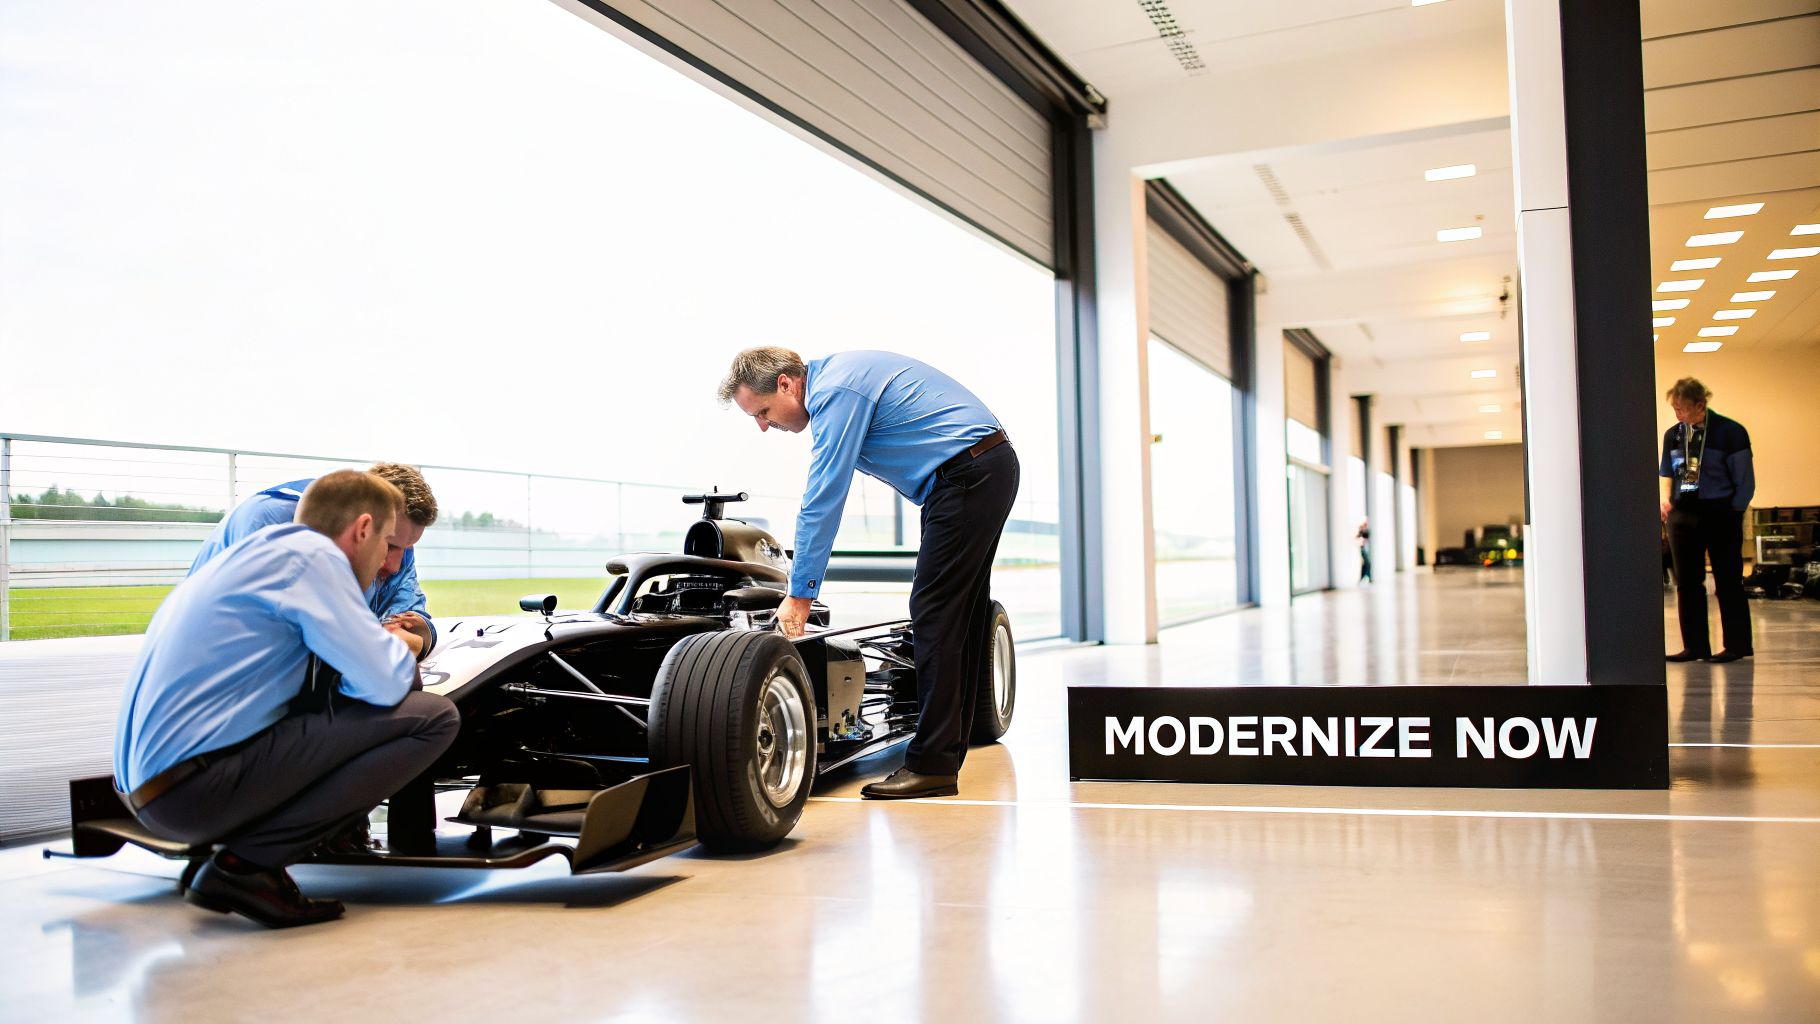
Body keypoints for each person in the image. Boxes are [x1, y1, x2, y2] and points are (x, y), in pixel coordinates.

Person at [114, 470, 460, 928]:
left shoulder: (259, 552)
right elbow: (388, 681)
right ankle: (247, 867)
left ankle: (241, 852)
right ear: (361, 529)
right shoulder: (313, 561)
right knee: (432, 718)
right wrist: (396, 650)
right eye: (386, 546)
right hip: (188, 794)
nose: (389, 567)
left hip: (151, 788)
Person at [719, 347, 1018, 800]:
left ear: (785, 383)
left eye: (762, 412)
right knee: (964, 613)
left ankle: (932, 765)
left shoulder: (835, 393)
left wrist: (799, 595)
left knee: (933, 611)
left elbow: (824, 497)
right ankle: (947, 748)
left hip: (967, 475)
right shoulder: (840, 379)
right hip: (979, 469)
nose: (764, 426)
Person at [190, 462, 440, 658]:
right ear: (363, 525)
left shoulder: (394, 541)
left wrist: (418, 634)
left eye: (406, 549)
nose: (396, 565)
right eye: (391, 545)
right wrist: (392, 648)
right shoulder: (270, 524)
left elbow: (409, 613)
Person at [1660, 377, 1755, 663]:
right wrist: (1667, 501)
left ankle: (1737, 645)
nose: (1678, 414)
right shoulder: (1673, 435)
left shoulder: (1731, 433)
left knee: (1728, 580)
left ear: (1700, 405)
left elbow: (1745, 480)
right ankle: (1695, 646)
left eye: (1682, 409)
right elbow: (1668, 472)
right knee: (1687, 583)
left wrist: (1734, 511)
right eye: (1674, 408)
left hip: (1720, 512)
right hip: (1684, 514)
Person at [1356, 518, 1372, 584]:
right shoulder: (1362, 530)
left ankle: (1368, 576)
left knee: (1367, 563)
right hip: (1363, 548)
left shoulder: (1367, 530)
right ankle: (1364, 577)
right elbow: (1358, 537)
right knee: (1366, 563)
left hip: (1367, 548)